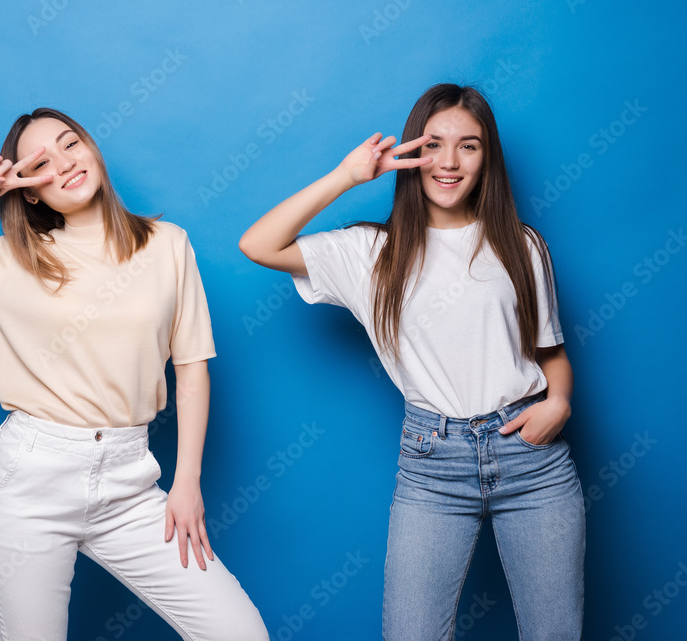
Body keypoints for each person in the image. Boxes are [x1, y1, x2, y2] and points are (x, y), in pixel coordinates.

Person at [0, 108, 268, 640]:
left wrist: (187, 481)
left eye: (71, 144)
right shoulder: (10, 260)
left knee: (239, 633)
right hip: (30, 483)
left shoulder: (167, 244)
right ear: (28, 191)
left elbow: (192, 371)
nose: (65, 163)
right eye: (42, 162)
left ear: (93, 149)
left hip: (129, 480)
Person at [239, 84, 584, 640]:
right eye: (434, 145)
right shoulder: (369, 252)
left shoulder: (522, 245)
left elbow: (550, 352)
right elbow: (257, 244)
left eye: (468, 146)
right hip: (433, 463)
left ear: (487, 158)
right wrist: (346, 177)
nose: (448, 162)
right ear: (412, 155)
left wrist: (560, 402)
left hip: (531, 459)